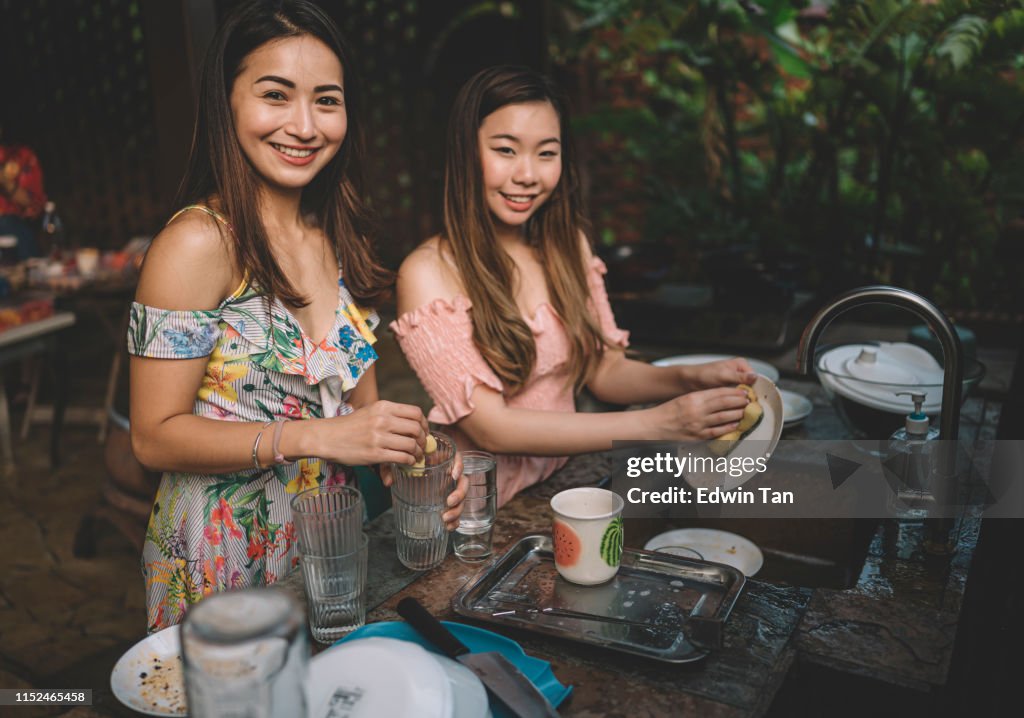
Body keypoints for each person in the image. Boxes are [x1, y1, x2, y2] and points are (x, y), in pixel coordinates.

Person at [128, 0, 465, 632]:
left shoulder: (335, 237)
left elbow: (358, 418)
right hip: (221, 559)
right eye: (276, 95)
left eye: (327, 101)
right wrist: (312, 437)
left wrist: (416, 465)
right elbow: (152, 437)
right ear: (227, 102)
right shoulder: (198, 243)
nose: (305, 126)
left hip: (326, 547)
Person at [393, 66, 757, 507]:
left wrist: (688, 378)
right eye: (505, 150)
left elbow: (605, 371)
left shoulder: (567, 247)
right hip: (477, 508)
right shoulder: (428, 272)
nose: (527, 175)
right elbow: (493, 429)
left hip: (559, 483)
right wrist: (660, 423)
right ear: (465, 152)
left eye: (546, 153)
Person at [0, 124, 46, 259]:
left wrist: (4, 181)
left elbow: (33, 206)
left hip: (11, 229)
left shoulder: (20, 156)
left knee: (8, 224)